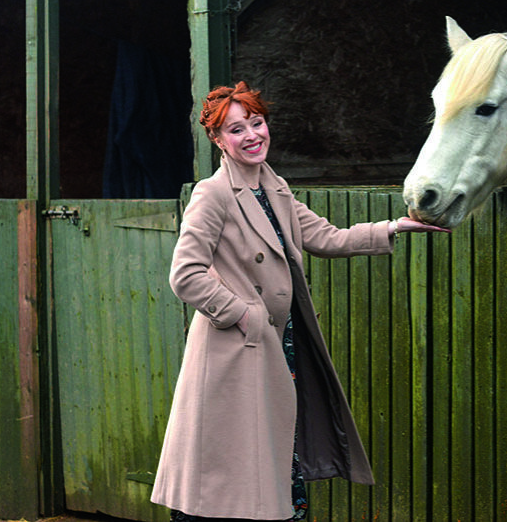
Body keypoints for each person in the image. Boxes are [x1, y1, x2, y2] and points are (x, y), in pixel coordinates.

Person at [151, 82, 448, 522]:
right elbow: (186, 275)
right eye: (236, 129)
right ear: (217, 140)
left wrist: (393, 227)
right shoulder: (211, 194)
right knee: (227, 471)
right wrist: (246, 316)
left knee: (273, 453)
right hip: (237, 348)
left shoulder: (275, 187)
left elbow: (325, 237)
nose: (252, 135)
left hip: (278, 343)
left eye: (257, 122)